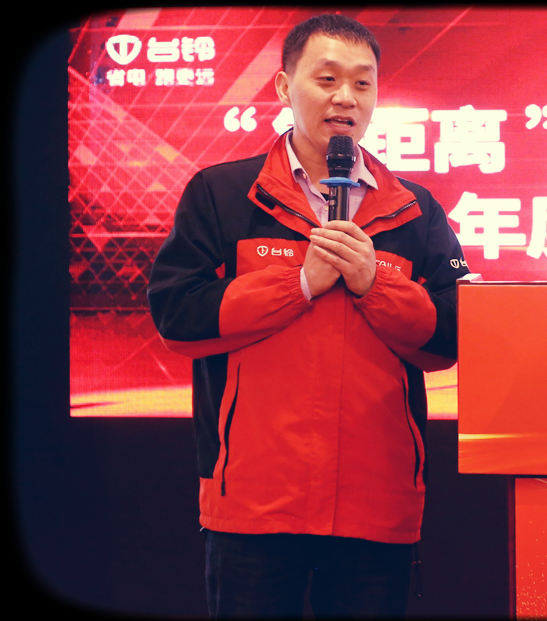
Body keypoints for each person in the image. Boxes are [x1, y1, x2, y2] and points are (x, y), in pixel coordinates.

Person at [147, 14, 469, 618]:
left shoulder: (415, 209)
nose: (346, 97)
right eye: (326, 79)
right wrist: (297, 282)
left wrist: (374, 284)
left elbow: (454, 335)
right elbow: (177, 315)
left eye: (363, 83)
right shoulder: (222, 194)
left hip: (378, 504)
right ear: (283, 86)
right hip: (254, 505)